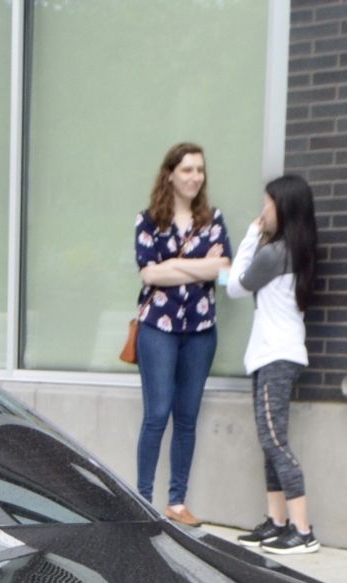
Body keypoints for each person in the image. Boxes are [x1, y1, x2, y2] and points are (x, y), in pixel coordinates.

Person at [131, 143, 232, 525]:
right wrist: (199, 265)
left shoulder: (214, 218)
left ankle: (176, 502)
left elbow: (224, 272)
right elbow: (149, 274)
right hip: (158, 328)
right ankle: (141, 501)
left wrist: (174, 264)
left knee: (186, 417)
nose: (195, 177)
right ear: (170, 173)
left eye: (200, 170)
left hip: (201, 331)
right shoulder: (148, 221)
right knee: (157, 415)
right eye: (187, 169)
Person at [222, 174, 321, 555]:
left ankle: (302, 530)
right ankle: (277, 522)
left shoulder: (274, 253)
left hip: (276, 356)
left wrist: (250, 233)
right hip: (276, 354)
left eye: (267, 203)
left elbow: (235, 287)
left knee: (275, 441)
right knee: (270, 442)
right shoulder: (294, 251)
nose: (262, 210)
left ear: (283, 207)